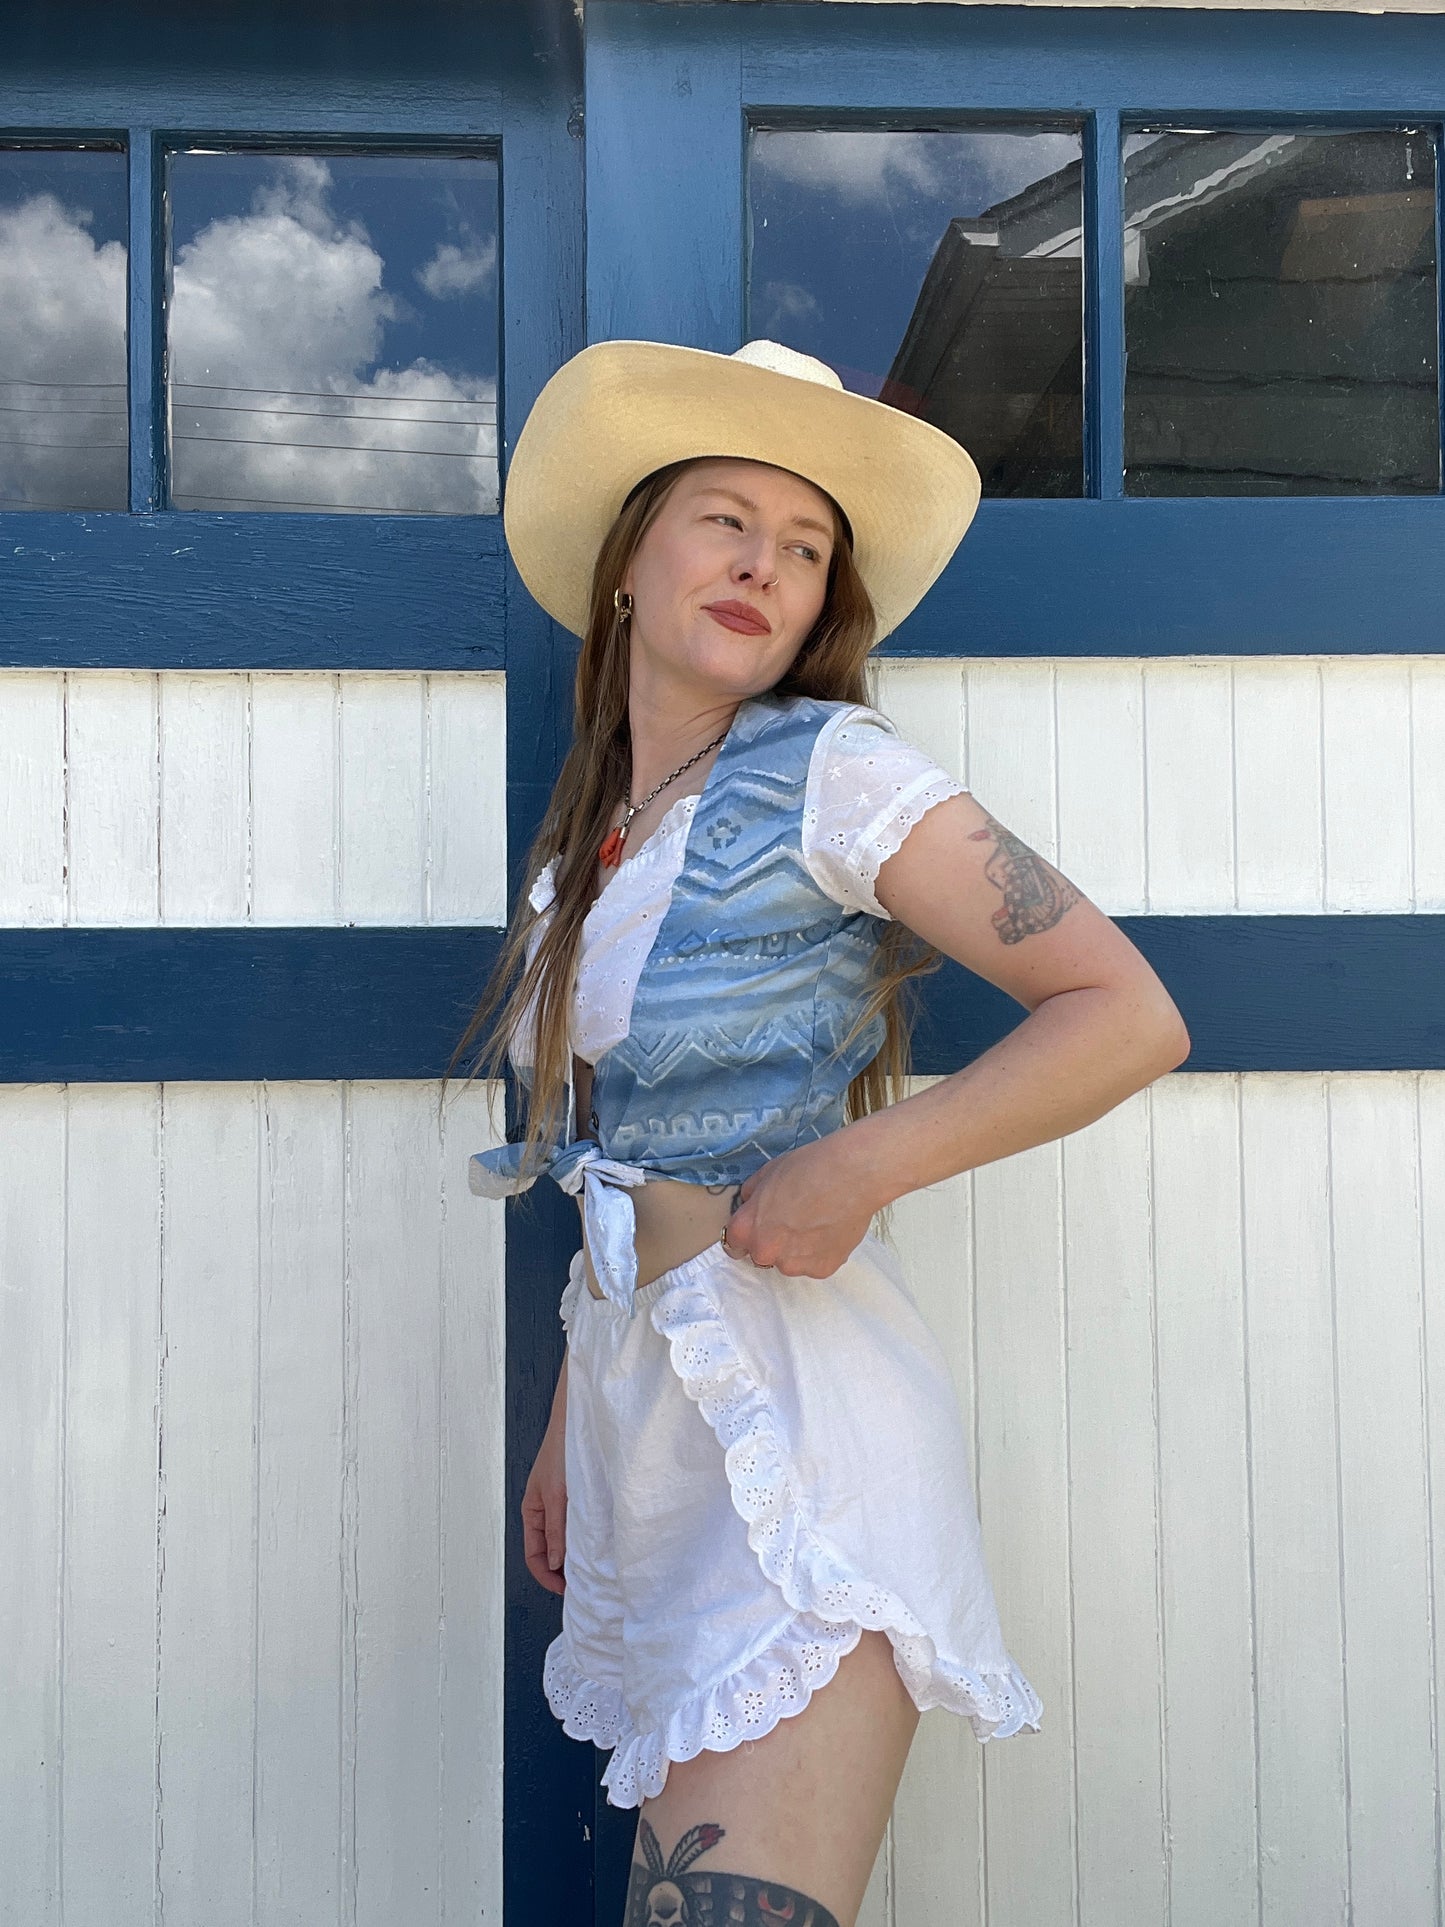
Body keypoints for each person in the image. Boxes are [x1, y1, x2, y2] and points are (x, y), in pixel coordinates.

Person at [459, 337, 1190, 1927]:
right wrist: (569, 1420)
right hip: (648, 1431)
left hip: (797, 1424)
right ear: (629, 562)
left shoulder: (832, 773)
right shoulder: (594, 846)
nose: (763, 566)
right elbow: (612, 1161)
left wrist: (863, 1162)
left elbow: (1124, 1013)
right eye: (723, 519)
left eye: (802, 551)